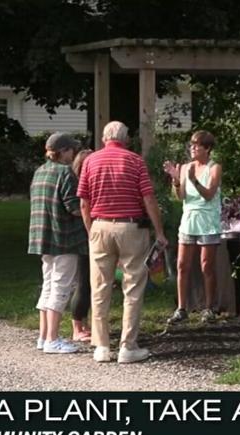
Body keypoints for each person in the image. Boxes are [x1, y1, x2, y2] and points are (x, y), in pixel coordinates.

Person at [77, 121, 168, 363]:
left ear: (104, 138)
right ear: (126, 139)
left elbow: (84, 203)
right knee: (133, 286)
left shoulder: (90, 161)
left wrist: (91, 231)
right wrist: (159, 231)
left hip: (100, 225)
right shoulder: (135, 161)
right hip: (130, 227)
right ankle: (128, 346)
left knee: (99, 287)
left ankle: (102, 346)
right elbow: (148, 198)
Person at [28, 132, 88, 354]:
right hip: (64, 238)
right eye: (71, 150)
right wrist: (90, 215)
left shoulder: (39, 172)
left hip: (42, 238)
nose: (73, 153)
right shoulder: (66, 173)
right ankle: (53, 339)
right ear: (62, 152)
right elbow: (73, 207)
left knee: (48, 285)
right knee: (61, 288)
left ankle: (43, 337)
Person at [162, 130, 223, 324]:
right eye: (192, 145)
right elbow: (179, 197)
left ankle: (209, 308)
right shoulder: (186, 167)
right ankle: (181, 308)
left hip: (207, 221)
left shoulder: (215, 168)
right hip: (188, 220)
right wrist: (176, 180)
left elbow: (208, 195)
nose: (193, 148)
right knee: (181, 265)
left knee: (206, 266)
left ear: (207, 148)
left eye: (197, 145)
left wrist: (193, 180)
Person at [69, 148, 94, 342]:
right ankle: (77, 326)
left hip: (86, 236)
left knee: (89, 283)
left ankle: (83, 323)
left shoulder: (80, 182)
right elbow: (78, 208)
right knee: (84, 282)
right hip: (83, 238)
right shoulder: (79, 185)